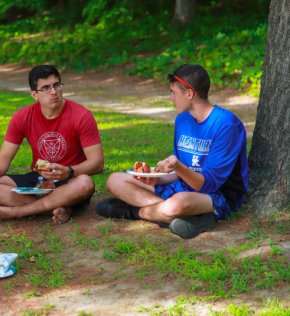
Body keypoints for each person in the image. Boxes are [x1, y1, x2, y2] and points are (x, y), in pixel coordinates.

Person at [96, 64, 248, 238]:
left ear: (190, 93)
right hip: (184, 187)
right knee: (115, 180)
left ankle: (134, 211)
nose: (170, 98)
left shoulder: (226, 125)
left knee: (177, 203)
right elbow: (179, 172)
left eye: (173, 92)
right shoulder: (182, 119)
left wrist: (177, 166)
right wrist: (155, 178)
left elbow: (209, 184)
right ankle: (191, 218)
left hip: (218, 195)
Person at [0, 65, 104, 224]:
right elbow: (4, 156)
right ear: (34, 94)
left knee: (85, 183)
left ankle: (16, 212)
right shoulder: (22, 116)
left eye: (56, 85)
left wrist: (68, 171)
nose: (53, 92)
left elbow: (98, 163)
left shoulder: (82, 116)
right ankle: (61, 207)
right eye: (45, 88)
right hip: (40, 179)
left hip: (71, 179)